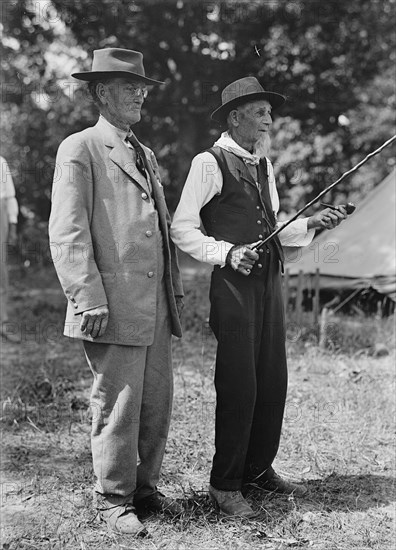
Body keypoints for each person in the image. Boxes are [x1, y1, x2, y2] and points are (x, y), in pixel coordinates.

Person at [171, 76, 348, 518]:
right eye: (259, 111)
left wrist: (314, 224)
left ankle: (257, 469)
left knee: (272, 380)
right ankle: (225, 484)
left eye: (269, 111)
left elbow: (273, 229)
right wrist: (227, 253)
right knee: (239, 385)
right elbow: (181, 228)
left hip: (270, 283)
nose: (268, 118)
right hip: (233, 288)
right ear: (234, 118)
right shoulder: (208, 163)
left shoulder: (263, 164)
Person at [49, 48, 184, 536]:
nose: (142, 93)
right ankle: (113, 498)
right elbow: (67, 232)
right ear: (102, 92)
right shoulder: (80, 147)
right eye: (131, 86)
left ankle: (144, 488)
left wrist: (174, 295)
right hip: (110, 303)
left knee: (155, 401)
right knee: (119, 403)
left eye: (143, 86)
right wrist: (88, 297)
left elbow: (160, 231)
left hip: (154, 306)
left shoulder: (143, 153)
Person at [0, 156, 19, 343]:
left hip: (1, 215)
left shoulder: (1, 162)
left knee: (0, 271)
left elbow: (9, 196)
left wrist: (12, 225)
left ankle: (2, 323)